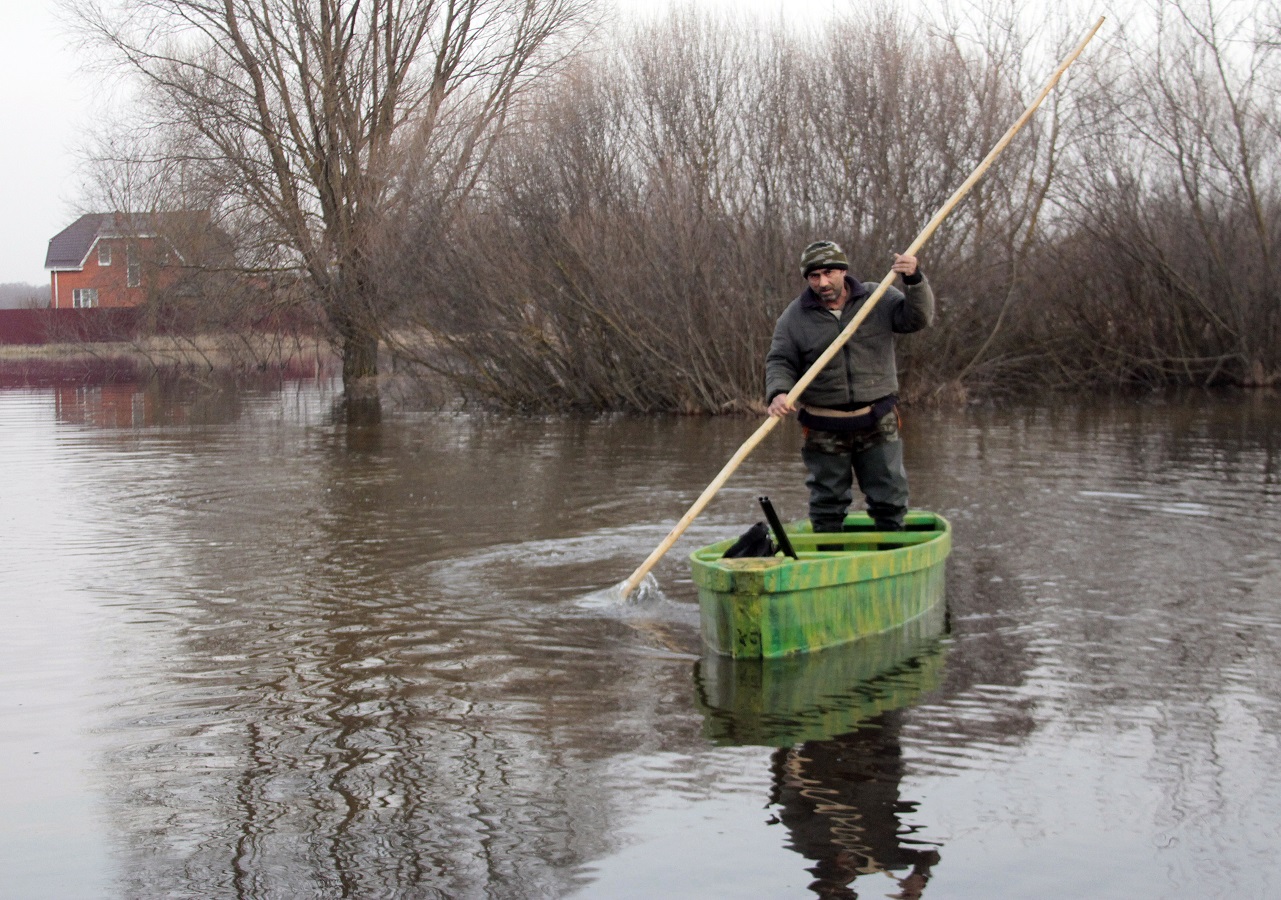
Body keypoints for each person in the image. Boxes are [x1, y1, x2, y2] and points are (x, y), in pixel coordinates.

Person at [765, 240, 934, 532]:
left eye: (829, 272)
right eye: (814, 276)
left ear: (843, 271)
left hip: (877, 417)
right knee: (827, 503)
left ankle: (890, 555)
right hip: (823, 423)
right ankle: (829, 560)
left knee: (889, 497)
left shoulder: (877, 297)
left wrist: (914, 278)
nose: (823, 282)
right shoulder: (794, 317)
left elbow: (918, 318)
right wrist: (779, 392)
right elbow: (780, 360)